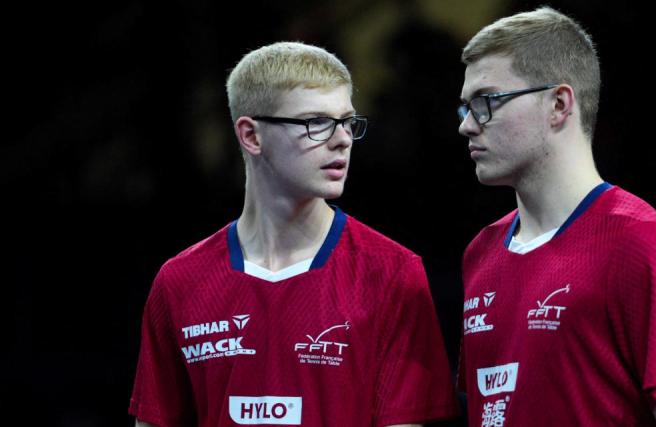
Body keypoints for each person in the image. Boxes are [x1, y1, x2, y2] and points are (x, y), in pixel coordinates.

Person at [129, 42, 459, 427]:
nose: (342, 139)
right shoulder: (179, 282)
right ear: (251, 136)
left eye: (347, 121)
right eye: (315, 122)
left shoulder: (393, 273)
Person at [456, 7, 656, 426]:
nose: (467, 125)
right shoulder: (480, 253)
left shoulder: (643, 247)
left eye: (485, 102)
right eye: (465, 107)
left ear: (559, 104)